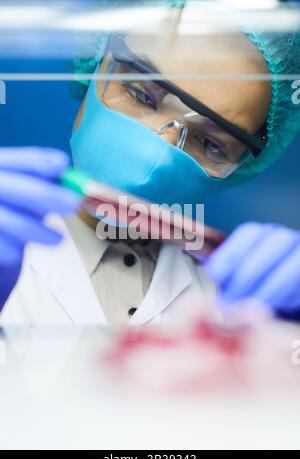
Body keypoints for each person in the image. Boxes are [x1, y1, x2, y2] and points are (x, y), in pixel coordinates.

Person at [1, 1, 300, 326]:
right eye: (142, 95)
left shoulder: (239, 304)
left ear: (240, 167)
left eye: (211, 143)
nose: (159, 152)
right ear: (96, 67)